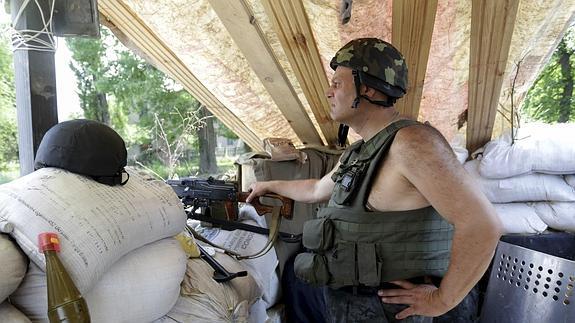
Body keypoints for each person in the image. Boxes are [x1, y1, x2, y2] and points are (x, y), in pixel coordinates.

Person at [246, 38, 502, 322]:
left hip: (401, 311)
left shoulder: (413, 143)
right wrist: (268, 185)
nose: (328, 93)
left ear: (366, 88)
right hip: (359, 306)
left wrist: (442, 300)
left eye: (337, 84)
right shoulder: (360, 151)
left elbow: (483, 224)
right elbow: (317, 188)